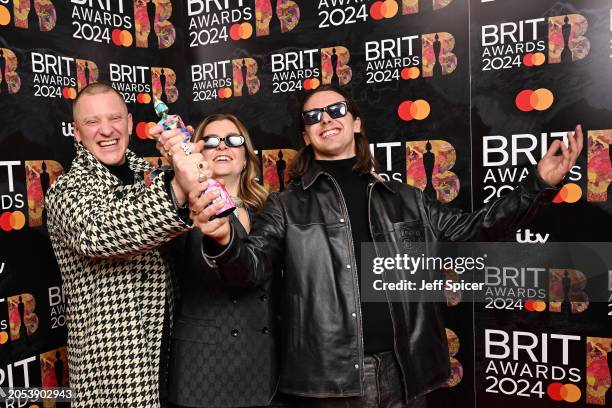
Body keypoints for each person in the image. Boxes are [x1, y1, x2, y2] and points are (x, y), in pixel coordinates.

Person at [185, 85, 583, 408]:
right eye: (313, 117)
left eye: (337, 110)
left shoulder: (405, 198)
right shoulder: (285, 206)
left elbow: (472, 231)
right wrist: (224, 240)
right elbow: (251, 268)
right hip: (333, 382)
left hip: (406, 371)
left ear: (356, 122)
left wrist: (539, 184)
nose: (326, 119)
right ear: (305, 136)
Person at [45, 82, 208, 407]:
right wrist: (178, 188)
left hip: (173, 355)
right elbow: (103, 229)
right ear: (76, 132)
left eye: (115, 118)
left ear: (131, 123)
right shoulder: (66, 191)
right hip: (114, 370)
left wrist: (188, 161)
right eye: (92, 122)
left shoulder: (151, 174)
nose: (106, 130)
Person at [152, 114, 282, 407]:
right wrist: (179, 170)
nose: (222, 146)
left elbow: (259, 272)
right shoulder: (182, 205)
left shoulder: (271, 208)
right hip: (203, 371)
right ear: (198, 152)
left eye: (233, 140)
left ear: (246, 157)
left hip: (261, 367)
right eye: (210, 141)